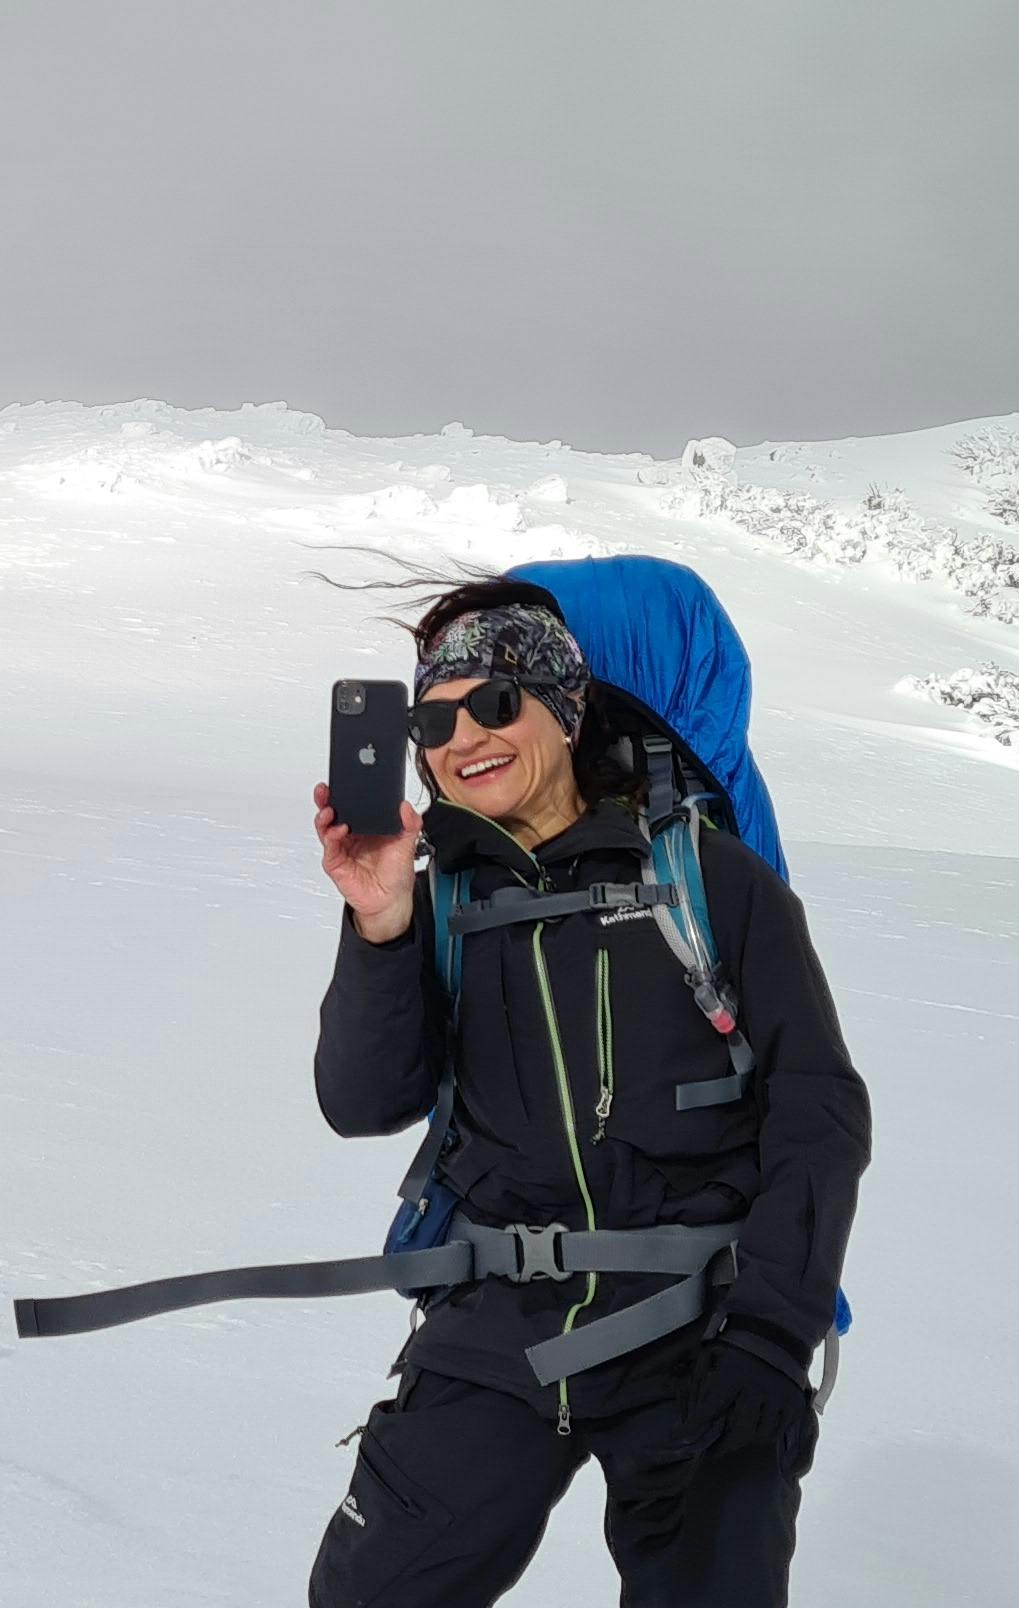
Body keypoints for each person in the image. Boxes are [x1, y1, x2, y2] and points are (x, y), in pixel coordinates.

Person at [304, 579, 868, 1607]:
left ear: (564, 709)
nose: (459, 735)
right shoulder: (440, 898)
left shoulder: (710, 879)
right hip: (494, 1318)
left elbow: (818, 1109)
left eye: (494, 702)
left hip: (702, 1325)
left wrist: (773, 1334)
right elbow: (362, 1100)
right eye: (433, 717)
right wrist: (380, 922)